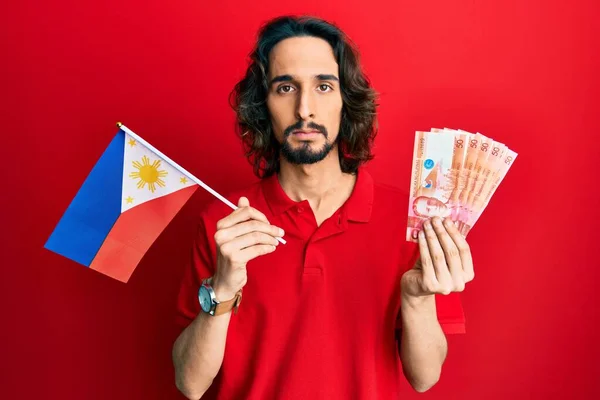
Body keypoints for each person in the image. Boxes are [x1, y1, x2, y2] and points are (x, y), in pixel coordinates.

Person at [172, 15, 474, 400]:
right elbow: (190, 383)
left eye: (324, 86)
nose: (304, 109)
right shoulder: (225, 223)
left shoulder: (411, 218)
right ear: (263, 105)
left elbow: (425, 377)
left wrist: (417, 298)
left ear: (346, 102)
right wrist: (224, 288)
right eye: (285, 87)